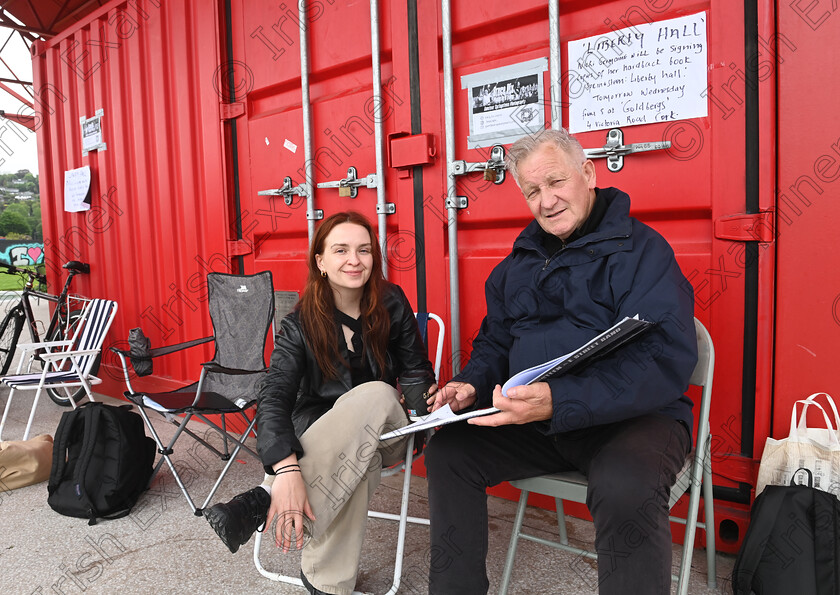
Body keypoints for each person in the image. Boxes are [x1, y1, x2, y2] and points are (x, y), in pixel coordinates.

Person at [423, 128, 697, 595]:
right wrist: (470, 383)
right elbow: (495, 343)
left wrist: (560, 400)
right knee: (449, 451)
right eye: (532, 191)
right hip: (542, 421)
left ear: (587, 174)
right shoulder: (520, 262)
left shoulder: (642, 251)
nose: (546, 201)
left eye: (555, 182)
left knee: (625, 486)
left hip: (633, 420)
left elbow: (663, 358)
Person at [204, 211, 436, 595]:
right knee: (363, 461)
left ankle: (264, 498)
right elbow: (274, 396)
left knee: (378, 392)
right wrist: (286, 467)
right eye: (341, 250)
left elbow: (414, 371)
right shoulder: (298, 324)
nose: (354, 260)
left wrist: (424, 415)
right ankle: (327, 584)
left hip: (393, 429)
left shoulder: (391, 301)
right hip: (339, 442)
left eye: (364, 250)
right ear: (321, 262)